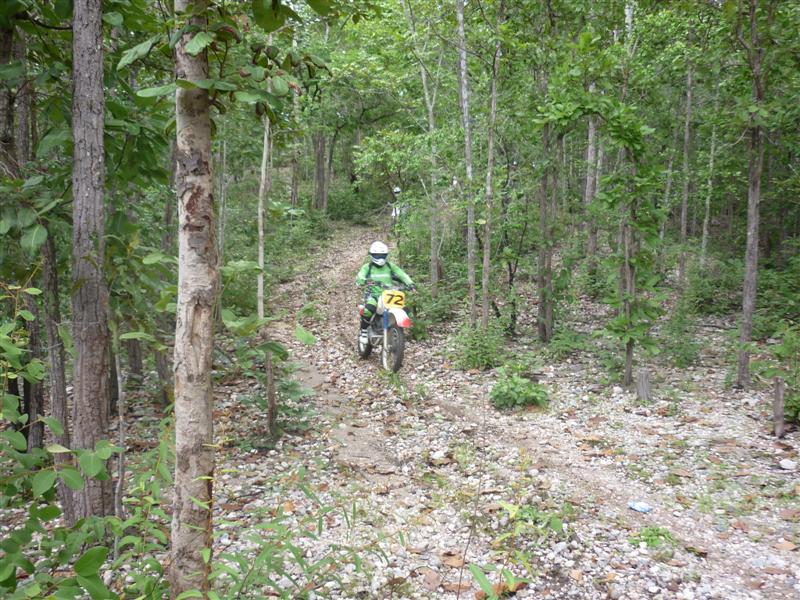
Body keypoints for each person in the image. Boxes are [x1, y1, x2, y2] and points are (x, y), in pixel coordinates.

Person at [356, 241, 415, 343]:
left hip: (389, 294)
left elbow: (401, 274)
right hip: (373, 294)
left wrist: (410, 283)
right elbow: (360, 276)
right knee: (368, 310)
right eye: (377, 255)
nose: (380, 258)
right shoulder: (367, 267)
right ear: (372, 255)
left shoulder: (390, 266)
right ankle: (364, 331)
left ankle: (396, 330)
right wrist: (363, 281)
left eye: (382, 255)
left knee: (406, 310)